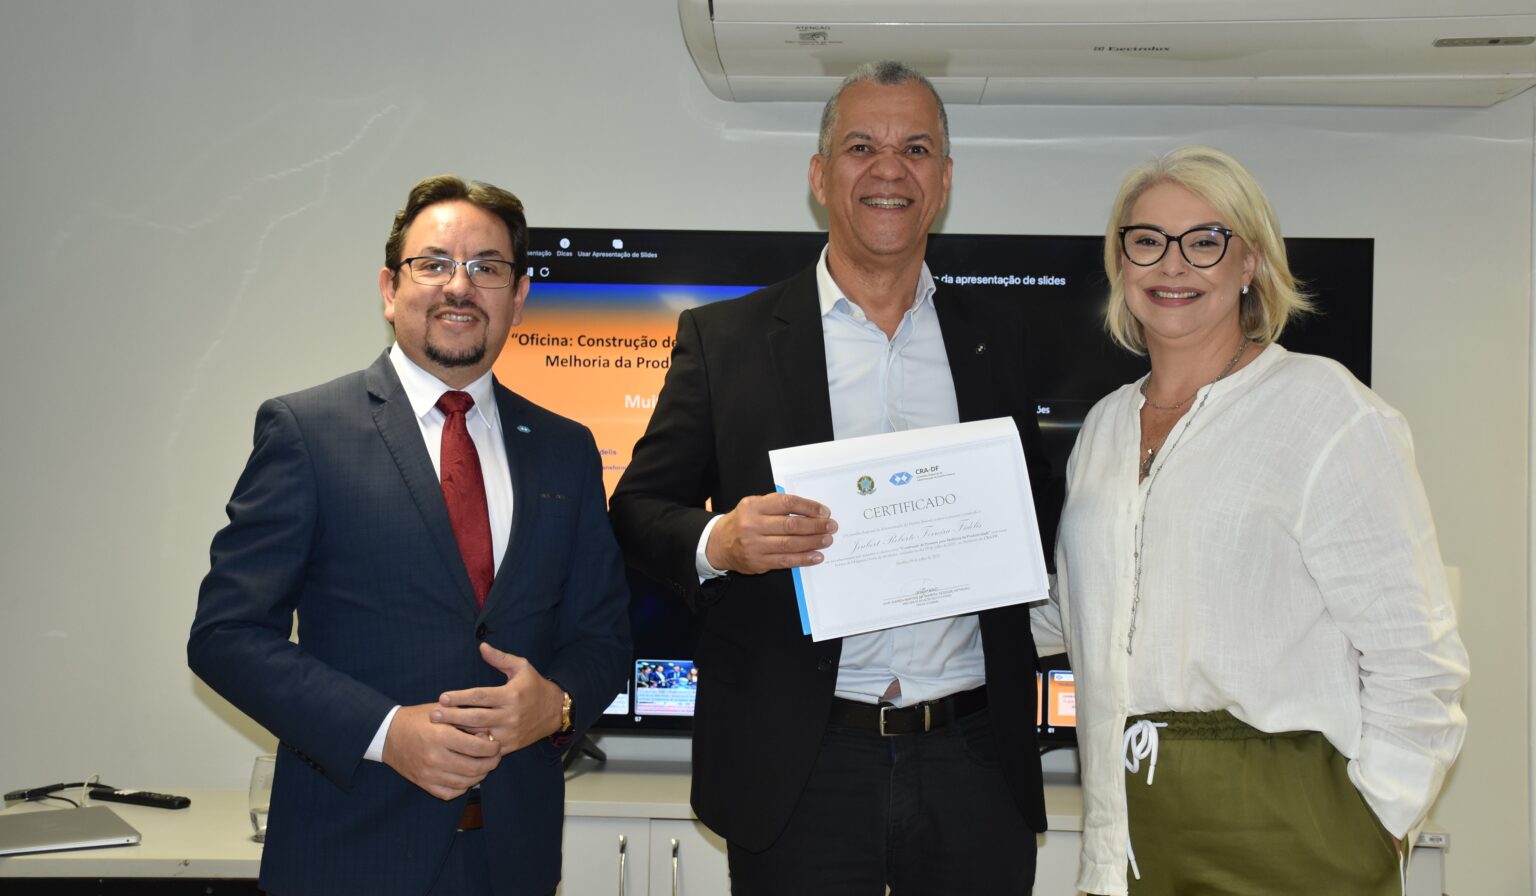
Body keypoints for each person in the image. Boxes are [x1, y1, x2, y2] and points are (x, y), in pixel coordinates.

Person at [609, 61, 1059, 895]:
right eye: (862, 147)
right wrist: (720, 541)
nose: (890, 169)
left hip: (973, 758)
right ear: (820, 177)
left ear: (944, 180)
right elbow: (637, 509)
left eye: (915, 149)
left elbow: (1037, 513)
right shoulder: (726, 340)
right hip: (800, 763)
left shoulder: (1000, 338)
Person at [1037, 145, 1469, 895]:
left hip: (1283, 831)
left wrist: (1370, 822)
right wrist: (914, 586)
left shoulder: (1324, 410)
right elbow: (1078, 611)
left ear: (1251, 263)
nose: (1172, 265)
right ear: (1121, 262)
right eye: (1147, 240)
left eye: (1205, 241)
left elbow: (1417, 656)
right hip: (1124, 835)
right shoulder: (1105, 428)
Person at [188, 175, 631, 896]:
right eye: (434, 264)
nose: (460, 286)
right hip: (349, 858)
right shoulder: (307, 431)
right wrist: (385, 732)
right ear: (390, 289)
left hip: (512, 862)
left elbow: (603, 636)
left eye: (488, 267)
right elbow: (226, 635)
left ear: (518, 298)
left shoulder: (565, 449)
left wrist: (558, 705)